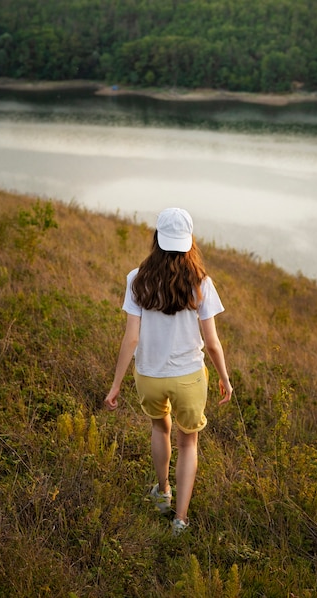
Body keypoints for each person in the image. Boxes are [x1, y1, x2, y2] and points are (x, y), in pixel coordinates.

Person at [104, 207, 232, 535]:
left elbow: (131, 338)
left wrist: (115, 385)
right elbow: (212, 342)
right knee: (188, 444)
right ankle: (180, 519)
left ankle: (162, 493)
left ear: (157, 240)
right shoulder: (201, 282)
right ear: (188, 243)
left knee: (160, 430)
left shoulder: (137, 279)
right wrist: (225, 379)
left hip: (149, 376)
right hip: (189, 377)